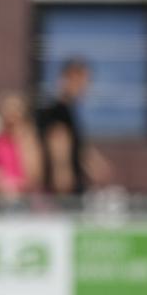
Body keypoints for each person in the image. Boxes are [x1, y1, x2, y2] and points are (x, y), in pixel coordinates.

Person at [36, 58, 110, 199]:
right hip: (59, 189)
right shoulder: (58, 110)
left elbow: (79, 148)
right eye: (82, 80)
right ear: (68, 79)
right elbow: (58, 141)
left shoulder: (70, 110)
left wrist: (95, 165)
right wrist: (62, 173)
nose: (85, 86)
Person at [0, 91, 43, 208]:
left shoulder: (29, 140)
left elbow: (34, 176)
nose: (11, 114)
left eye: (15, 109)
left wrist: (12, 185)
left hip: (25, 200)